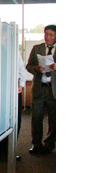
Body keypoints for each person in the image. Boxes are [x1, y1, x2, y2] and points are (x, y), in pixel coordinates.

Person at [0, 45, 28, 159]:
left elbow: (21, 68)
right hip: (2, 88)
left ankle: (11, 150)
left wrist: (21, 84)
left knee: (16, 118)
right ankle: (1, 151)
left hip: (15, 88)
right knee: (3, 119)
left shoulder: (14, 50)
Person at [26, 24, 56, 154]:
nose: (48, 37)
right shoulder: (36, 48)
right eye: (46, 34)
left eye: (51, 35)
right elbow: (28, 66)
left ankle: (49, 144)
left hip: (54, 90)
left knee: (54, 119)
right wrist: (36, 69)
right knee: (36, 118)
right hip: (39, 88)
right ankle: (36, 144)